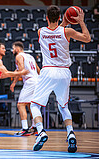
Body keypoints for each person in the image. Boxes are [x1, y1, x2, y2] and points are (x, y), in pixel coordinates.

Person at [30, 5, 91, 152]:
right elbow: (87, 38)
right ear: (59, 17)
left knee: (34, 105)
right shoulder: (67, 31)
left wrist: (62, 21)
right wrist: (81, 21)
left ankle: (41, 132)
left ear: (46, 18)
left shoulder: (41, 32)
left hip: (48, 71)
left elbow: (54, 31)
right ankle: (70, 133)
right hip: (64, 72)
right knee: (63, 106)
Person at [10, 41, 40, 136]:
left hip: (30, 81)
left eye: (13, 48)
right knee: (31, 105)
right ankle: (35, 127)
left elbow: (21, 70)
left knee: (20, 104)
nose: (12, 50)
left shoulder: (19, 56)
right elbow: (38, 70)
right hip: (36, 80)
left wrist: (14, 82)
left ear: (17, 49)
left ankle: (25, 128)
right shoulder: (30, 56)